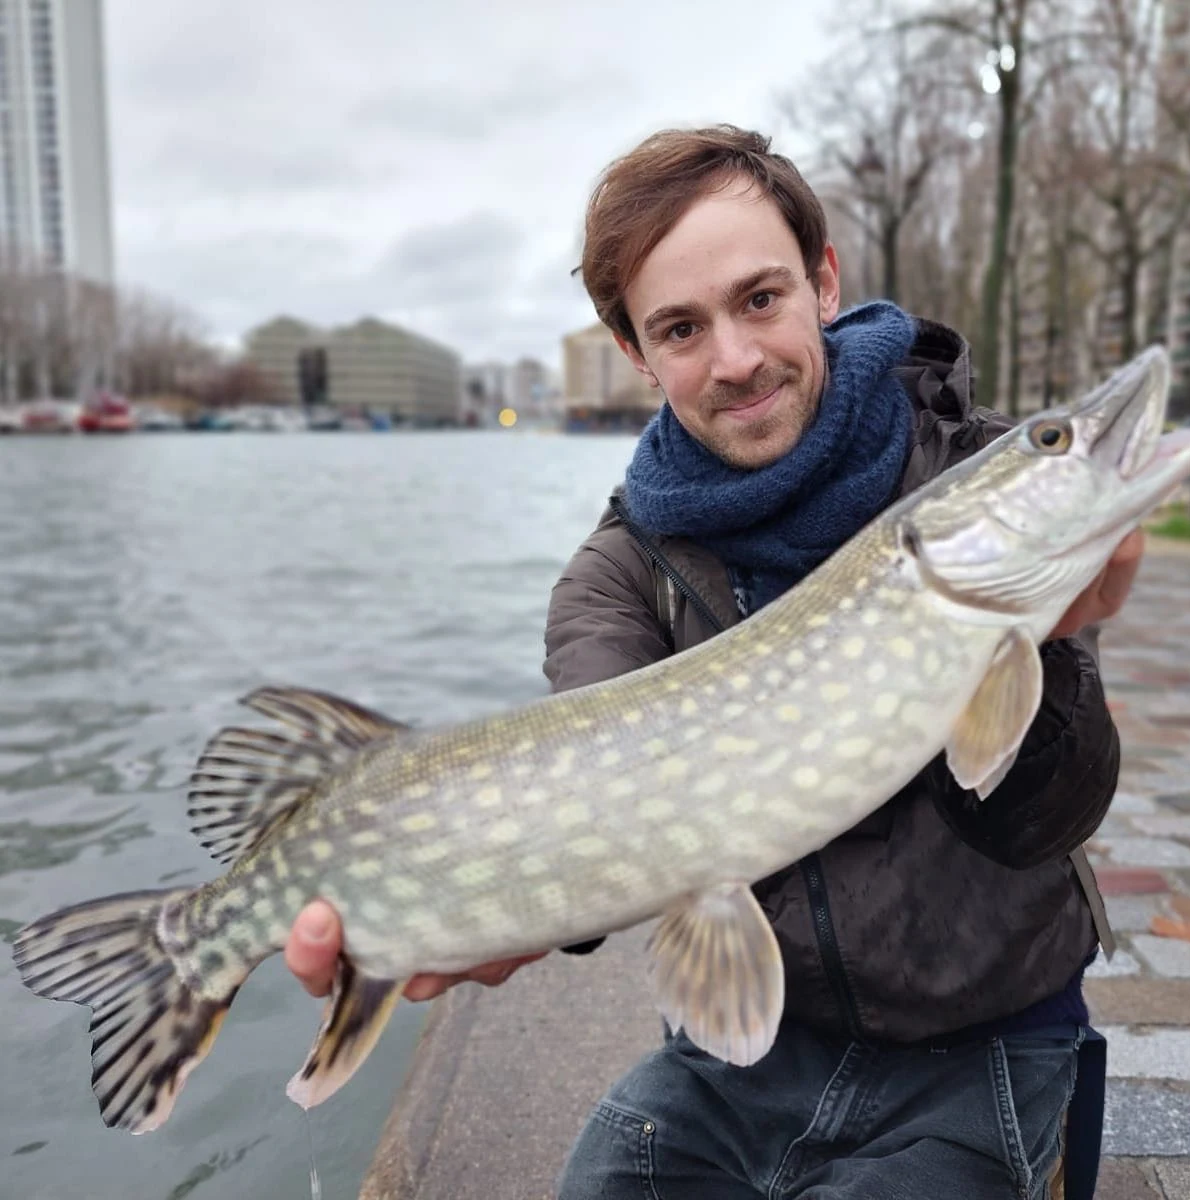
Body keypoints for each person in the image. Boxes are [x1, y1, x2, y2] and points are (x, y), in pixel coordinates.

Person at [286, 125, 1142, 1199]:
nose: (734, 360)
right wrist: (495, 904)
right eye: (681, 328)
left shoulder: (974, 479)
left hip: (989, 1039)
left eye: (759, 299)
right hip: (744, 1055)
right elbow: (613, 799)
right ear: (636, 352)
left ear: (822, 282)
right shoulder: (614, 576)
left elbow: (1041, 817)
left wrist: (1051, 651)